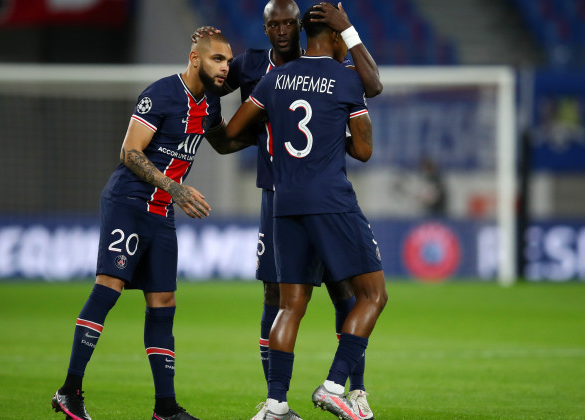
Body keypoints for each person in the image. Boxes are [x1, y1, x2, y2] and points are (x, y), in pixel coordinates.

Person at [199, 1, 382, 418]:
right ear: (335, 38)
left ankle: (276, 403)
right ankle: (339, 386)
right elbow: (366, 146)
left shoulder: (274, 80)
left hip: (284, 201)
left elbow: (228, 135)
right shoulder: (346, 78)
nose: (280, 30)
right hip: (331, 201)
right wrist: (350, 31)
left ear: (300, 31)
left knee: (287, 304)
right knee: (368, 295)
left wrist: (207, 101)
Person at [50, 27, 233, 420]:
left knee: (164, 301)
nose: (225, 68)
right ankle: (70, 391)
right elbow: (130, 152)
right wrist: (175, 187)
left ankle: (165, 408)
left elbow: (225, 140)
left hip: (162, 211)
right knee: (109, 287)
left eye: (229, 62)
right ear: (195, 58)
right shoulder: (160, 94)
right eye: (218, 59)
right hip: (129, 202)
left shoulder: (212, 106)